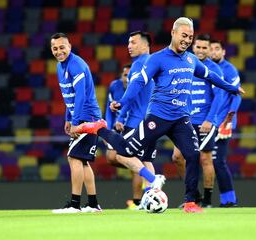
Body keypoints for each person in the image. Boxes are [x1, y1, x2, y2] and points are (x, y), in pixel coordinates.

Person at [75, 17, 245, 213]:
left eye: (190, 37)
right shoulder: (157, 59)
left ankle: (191, 202)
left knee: (192, 154)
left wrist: (231, 88)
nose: (187, 40)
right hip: (158, 116)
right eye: (184, 35)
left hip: (181, 118)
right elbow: (138, 83)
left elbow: (210, 75)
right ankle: (99, 128)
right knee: (127, 151)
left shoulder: (191, 59)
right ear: (173, 33)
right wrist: (122, 102)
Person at [50, 32, 102, 213]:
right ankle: (93, 204)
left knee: (74, 157)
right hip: (81, 116)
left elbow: (80, 95)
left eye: (62, 47)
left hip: (87, 117)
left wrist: (74, 121)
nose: (58, 51)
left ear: (69, 46)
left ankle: (74, 204)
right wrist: (67, 117)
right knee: (83, 160)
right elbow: (69, 95)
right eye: (54, 48)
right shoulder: (60, 66)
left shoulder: (76, 65)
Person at [171, 34, 224, 208]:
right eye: (198, 47)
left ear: (209, 49)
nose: (201, 50)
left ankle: (207, 201)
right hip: (184, 120)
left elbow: (219, 97)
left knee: (205, 159)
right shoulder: (185, 64)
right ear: (193, 47)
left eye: (204, 47)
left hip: (204, 122)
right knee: (177, 157)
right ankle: (194, 195)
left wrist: (210, 120)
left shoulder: (214, 69)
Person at [107, 31, 157, 210]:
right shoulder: (155, 62)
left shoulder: (138, 65)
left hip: (136, 121)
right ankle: (151, 197)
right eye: (128, 42)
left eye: (133, 42)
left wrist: (119, 106)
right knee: (146, 160)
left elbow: (132, 93)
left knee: (121, 155)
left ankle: (153, 181)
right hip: (153, 120)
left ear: (145, 45)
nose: (129, 46)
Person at [210, 39, 242, 207]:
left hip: (223, 122)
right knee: (209, 161)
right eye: (212, 49)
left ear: (223, 52)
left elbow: (237, 95)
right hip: (209, 120)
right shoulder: (207, 68)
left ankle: (229, 199)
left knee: (218, 161)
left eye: (217, 49)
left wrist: (230, 115)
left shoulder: (229, 70)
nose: (214, 52)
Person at [104, 63, 131, 131]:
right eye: (125, 75)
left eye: (130, 76)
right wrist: (108, 129)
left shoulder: (141, 88)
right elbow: (109, 110)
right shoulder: (114, 86)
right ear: (121, 76)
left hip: (133, 125)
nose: (127, 79)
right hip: (117, 126)